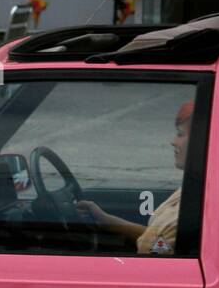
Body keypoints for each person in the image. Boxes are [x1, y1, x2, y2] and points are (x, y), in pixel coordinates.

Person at [74, 102, 192, 255]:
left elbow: (157, 253)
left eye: (181, 134)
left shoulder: (195, 203)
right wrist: (104, 220)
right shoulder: (191, 189)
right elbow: (154, 239)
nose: (173, 141)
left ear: (202, 140)